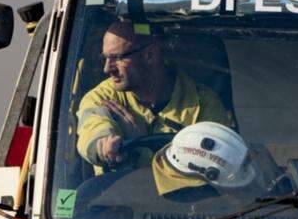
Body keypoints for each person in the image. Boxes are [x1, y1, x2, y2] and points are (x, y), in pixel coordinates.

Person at [76, 19, 234, 173]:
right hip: (112, 198)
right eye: (106, 58)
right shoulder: (102, 97)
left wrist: (141, 146)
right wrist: (103, 144)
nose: (107, 68)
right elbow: (92, 127)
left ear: (150, 54)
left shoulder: (204, 104)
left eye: (118, 58)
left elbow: (213, 172)